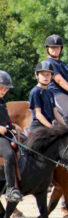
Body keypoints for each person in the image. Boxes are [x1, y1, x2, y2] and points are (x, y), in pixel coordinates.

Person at [0, 70, 23, 202]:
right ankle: (10, 189)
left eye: (6, 89)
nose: (4, 91)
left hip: (7, 133)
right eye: (2, 87)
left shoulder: (2, 102)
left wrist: (14, 126)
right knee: (8, 154)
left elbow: (5, 120)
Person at [29, 61, 67, 132]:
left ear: (51, 76)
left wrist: (66, 126)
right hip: (38, 127)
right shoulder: (35, 92)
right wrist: (51, 128)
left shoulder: (50, 92)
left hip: (49, 125)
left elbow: (55, 112)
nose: (45, 77)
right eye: (42, 74)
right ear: (37, 75)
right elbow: (38, 114)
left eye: (48, 75)